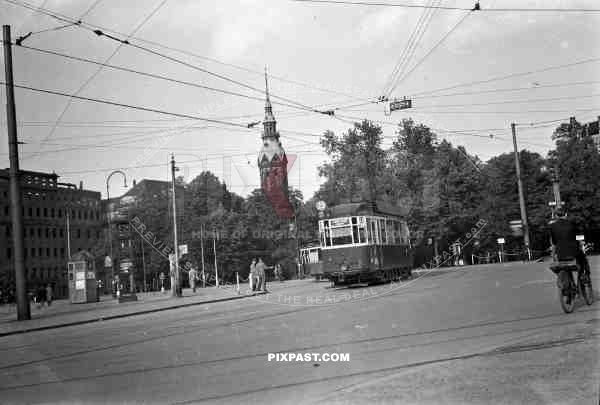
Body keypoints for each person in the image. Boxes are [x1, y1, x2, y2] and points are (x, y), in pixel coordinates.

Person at [549, 206, 590, 279]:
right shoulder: (573, 224)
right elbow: (578, 236)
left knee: (561, 265)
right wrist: (581, 241)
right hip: (574, 253)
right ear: (566, 214)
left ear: (556, 216)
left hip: (560, 254)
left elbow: (554, 241)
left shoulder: (552, 226)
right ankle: (583, 276)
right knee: (583, 261)